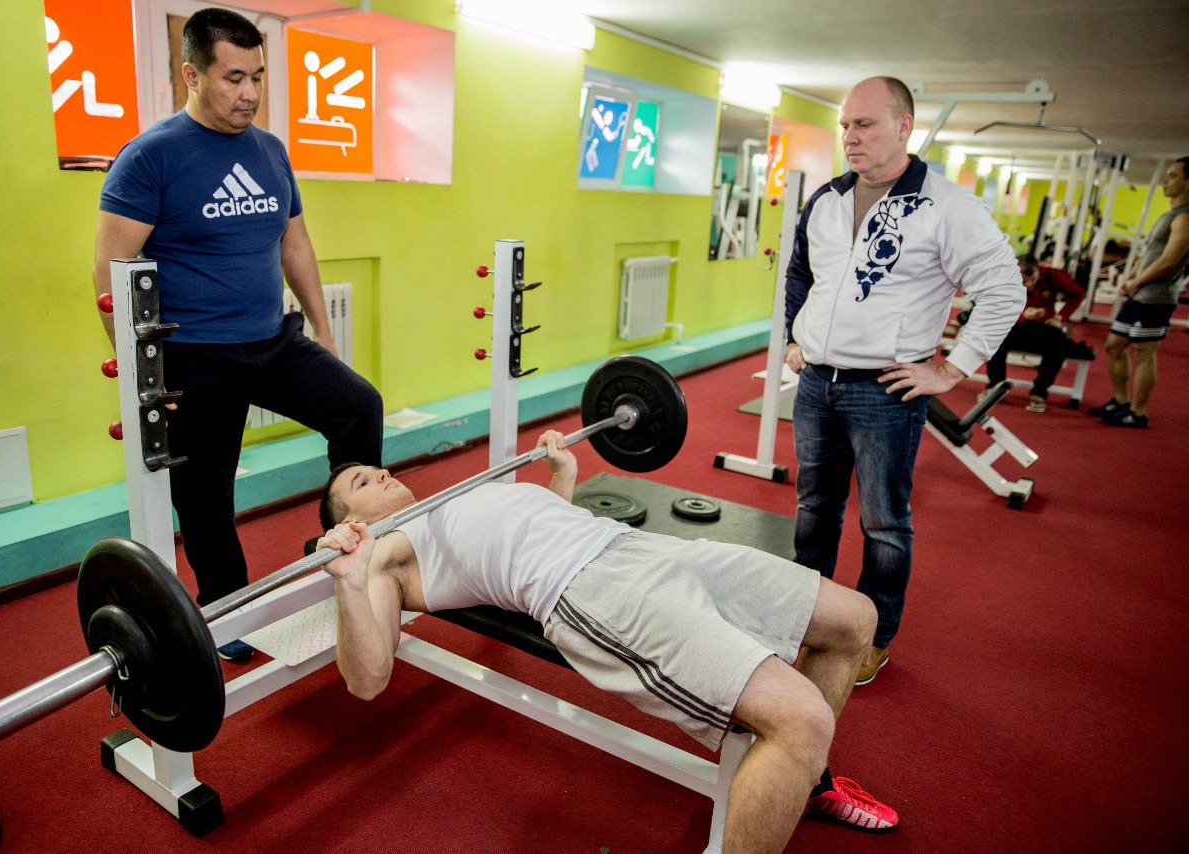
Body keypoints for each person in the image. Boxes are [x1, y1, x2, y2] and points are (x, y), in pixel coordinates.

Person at [316, 430, 899, 853]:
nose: (381, 473)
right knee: (802, 719)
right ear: (347, 521)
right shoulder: (386, 554)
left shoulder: (453, 498)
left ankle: (804, 783)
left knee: (855, 618)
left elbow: (538, 528)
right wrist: (348, 578)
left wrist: (562, 476)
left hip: (636, 546)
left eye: (375, 467)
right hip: (593, 588)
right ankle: (797, 760)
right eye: (362, 482)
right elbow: (367, 680)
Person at [93, 8, 383, 661]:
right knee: (205, 492)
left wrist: (323, 330)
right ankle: (226, 608)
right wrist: (142, 378)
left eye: (257, 76)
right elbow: (109, 274)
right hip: (194, 355)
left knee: (359, 405)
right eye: (233, 78)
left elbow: (294, 242)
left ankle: (342, 545)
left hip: (272, 340)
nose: (249, 93)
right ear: (192, 75)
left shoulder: (270, 151)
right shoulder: (150, 158)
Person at [783, 76, 1024, 686]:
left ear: (903, 126)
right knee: (814, 508)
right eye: (845, 125)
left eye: (864, 124)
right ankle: (802, 616)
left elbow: (1005, 291)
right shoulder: (827, 199)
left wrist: (951, 369)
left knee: (884, 522)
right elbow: (800, 274)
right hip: (816, 383)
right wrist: (794, 337)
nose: (850, 136)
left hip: (884, 392)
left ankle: (875, 636)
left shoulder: (948, 207)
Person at [1089, 157, 1189, 428]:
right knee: (1114, 346)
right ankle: (1120, 401)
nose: (1165, 181)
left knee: (1144, 352)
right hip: (1140, 293)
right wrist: (1131, 277)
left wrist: (1137, 282)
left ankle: (1137, 412)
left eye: (1173, 175)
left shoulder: (1185, 218)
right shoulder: (1169, 215)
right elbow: (1150, 253)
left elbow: (1168, 260)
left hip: (1157, 297)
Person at [984, 254, 1087, 412]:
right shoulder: (1006, 279)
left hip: (1043, 328)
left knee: (1060, 343)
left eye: (1032, 280)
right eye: (1024, 281)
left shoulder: (1053, 276)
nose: (1029, 285)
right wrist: (1023, 316)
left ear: (1038, 270)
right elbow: (997, 309)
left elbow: (1078, 294)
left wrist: (1060, 317)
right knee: (994, 335)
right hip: (1014, 325)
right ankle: (995, 386)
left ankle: (1039, 392)